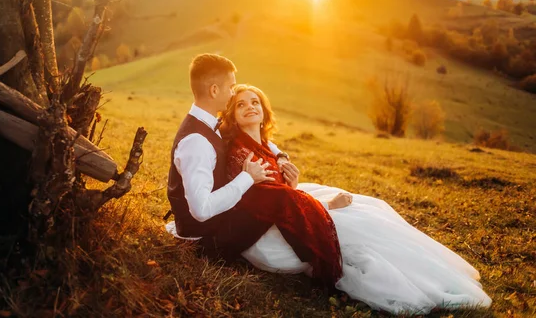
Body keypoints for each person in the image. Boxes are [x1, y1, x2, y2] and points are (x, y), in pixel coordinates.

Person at [220, 84, 493, 315]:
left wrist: (287, 172)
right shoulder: (241, 153)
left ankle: (432, 276)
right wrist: (327, 205)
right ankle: (419, 288)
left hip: (287, 205)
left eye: (255, 102)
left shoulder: (264, 144)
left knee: (372, 209)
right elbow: (273, 204)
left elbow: (280, 183)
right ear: (231, 116)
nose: (250, 107)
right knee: (361, 228)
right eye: (240, 105)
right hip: (271, 230)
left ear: (264, 111)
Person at [166, 53, 284, 260]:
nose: (232, 94)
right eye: (231, 87)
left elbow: (251, 136)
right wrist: (248, 178)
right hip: (206, 240)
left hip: (219, 223)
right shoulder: (197, 142)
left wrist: (280, 155)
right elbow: (201, 210)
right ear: (214, 90)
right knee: (276, 205)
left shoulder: (208, 123)